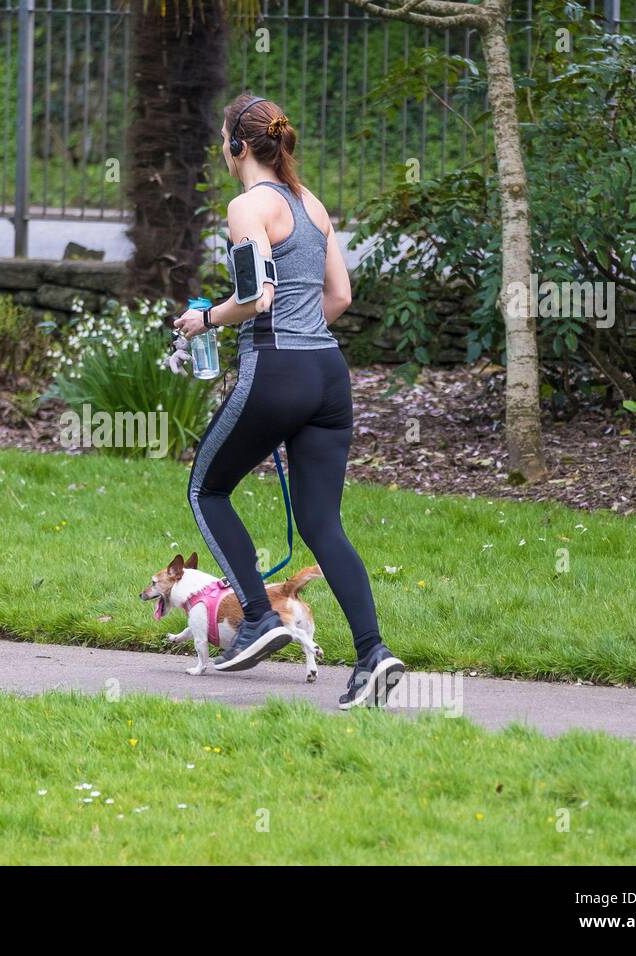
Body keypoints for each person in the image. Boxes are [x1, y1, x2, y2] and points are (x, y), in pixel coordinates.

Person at [174, 92, 404, 709]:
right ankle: (373, 654)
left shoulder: (248, 206)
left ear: (237, 147)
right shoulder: (311, 205)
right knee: (322, 524)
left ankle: (257, 617)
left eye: (224, 141)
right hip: (328, 374)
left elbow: (256, 300)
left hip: (277, 368)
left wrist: (205, 322)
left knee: (206, 489)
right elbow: (340, 298)